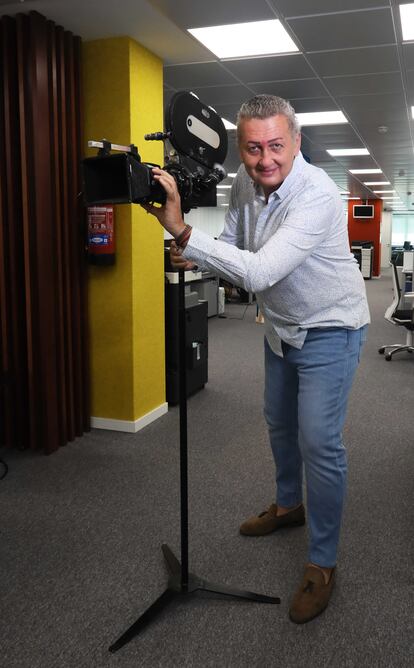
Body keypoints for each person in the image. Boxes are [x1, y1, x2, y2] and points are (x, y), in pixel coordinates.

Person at [142, 94, 370, 624]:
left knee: (320, 442)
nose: (264, 159)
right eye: (252, 148)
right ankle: (289, 506)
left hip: (331, 326)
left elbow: (260, 272)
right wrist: (197, 243)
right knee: (278, 426)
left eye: (275, 146)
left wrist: (183, 234)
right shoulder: (246, 184)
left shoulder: (316, 195)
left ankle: (323, 561)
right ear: (240, 149)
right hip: (283, 329)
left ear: (296, 142)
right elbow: (233, 242)